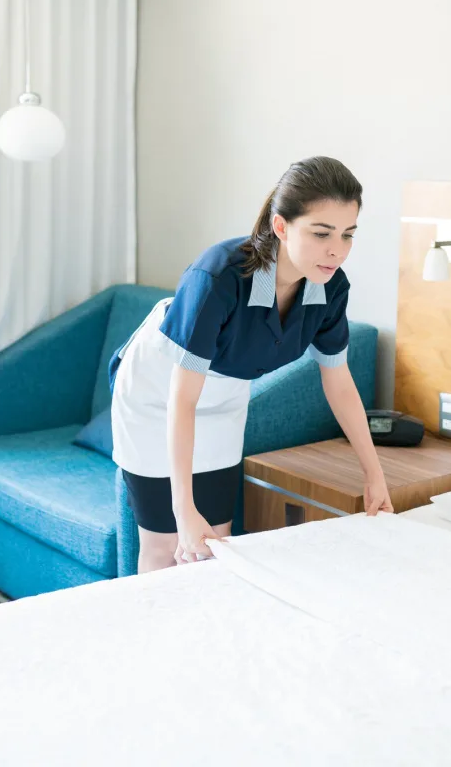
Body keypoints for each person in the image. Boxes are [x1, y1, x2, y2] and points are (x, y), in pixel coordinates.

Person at [108, 156, 394, 573]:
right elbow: (181, 400)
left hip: (225, 392)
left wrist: (374, 474)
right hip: (159, 395)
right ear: (281, 226)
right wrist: (183, 507)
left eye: (348, 235)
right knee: (165, 542)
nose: (337, 250)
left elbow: (339, 382)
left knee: (215, 543)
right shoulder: (218, 277)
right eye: (321, 233)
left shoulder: (330, 287)